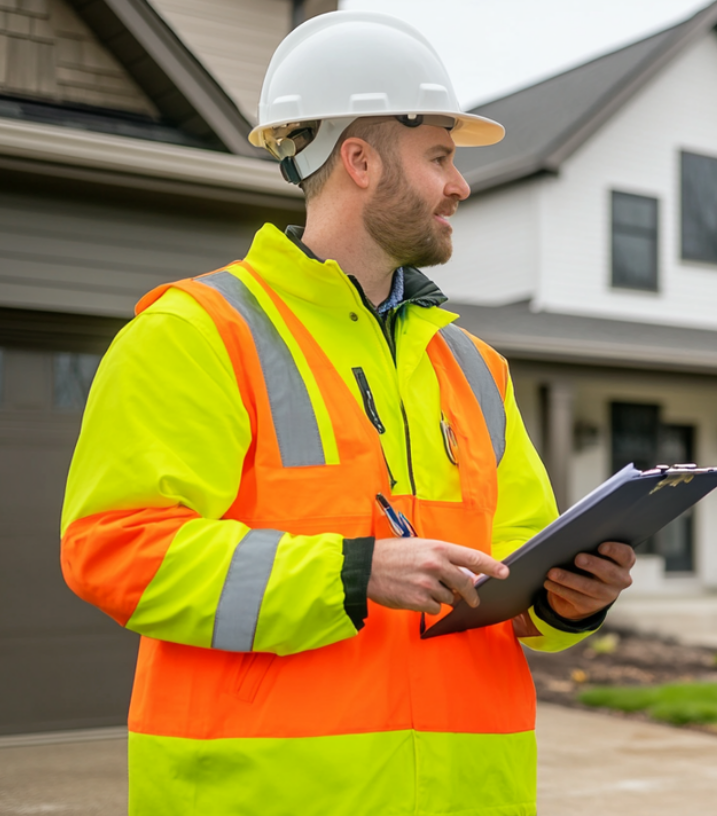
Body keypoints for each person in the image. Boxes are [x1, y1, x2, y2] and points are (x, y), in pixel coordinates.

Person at [60, 11, 634, 815]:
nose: (461, 184)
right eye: (439, 157)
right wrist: (352, 573)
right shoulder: (195, 334)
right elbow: (115, 550)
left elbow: (515, 568)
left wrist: (569, 600)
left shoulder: (474, 368)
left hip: (470, 795)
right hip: (266, 794)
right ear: (359, 161)